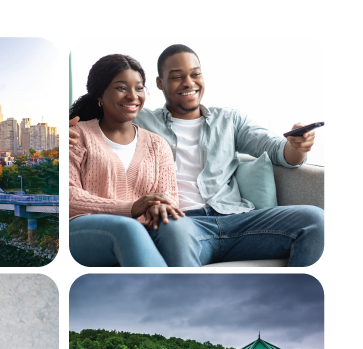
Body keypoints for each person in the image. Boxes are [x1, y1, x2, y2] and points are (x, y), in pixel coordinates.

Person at [69, 44, 325, 267]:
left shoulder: (229, 120)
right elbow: (99, 120)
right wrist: (62, 130)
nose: (188, 83)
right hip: (181, 223)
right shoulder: (137, 117)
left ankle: (289, 304)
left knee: (315, 220)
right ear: (160, 83)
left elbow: (276, 149)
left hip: (237, 218)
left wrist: (297, 147)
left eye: (195, 74)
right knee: (169, 226)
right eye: (177, 76)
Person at [69, 54, 186, 267]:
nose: (133, 96)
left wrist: (159, 206)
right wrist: (130, 208)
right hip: (80, 230)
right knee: (128, 228)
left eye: (139, 88)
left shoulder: (158, 145)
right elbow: (69, 197)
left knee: (176, 225)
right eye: (122, 88)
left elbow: (169, 198)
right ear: (100, 95)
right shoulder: (77, 135)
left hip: (144, 230)